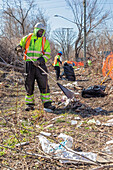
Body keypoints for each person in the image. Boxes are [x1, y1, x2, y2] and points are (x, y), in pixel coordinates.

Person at [15, 22, 55, 112]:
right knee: (29, 84)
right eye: (40, 30)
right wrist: (19, 48)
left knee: (43, 84)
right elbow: (20, 45)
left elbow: (47, 54)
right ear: (36, 30)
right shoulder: (27, 38)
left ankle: (47, 104)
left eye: (42, 31)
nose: (41, 32)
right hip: (29, 65)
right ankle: (30, 105)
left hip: (40, 65)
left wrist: (40, 61)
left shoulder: (44, 41)